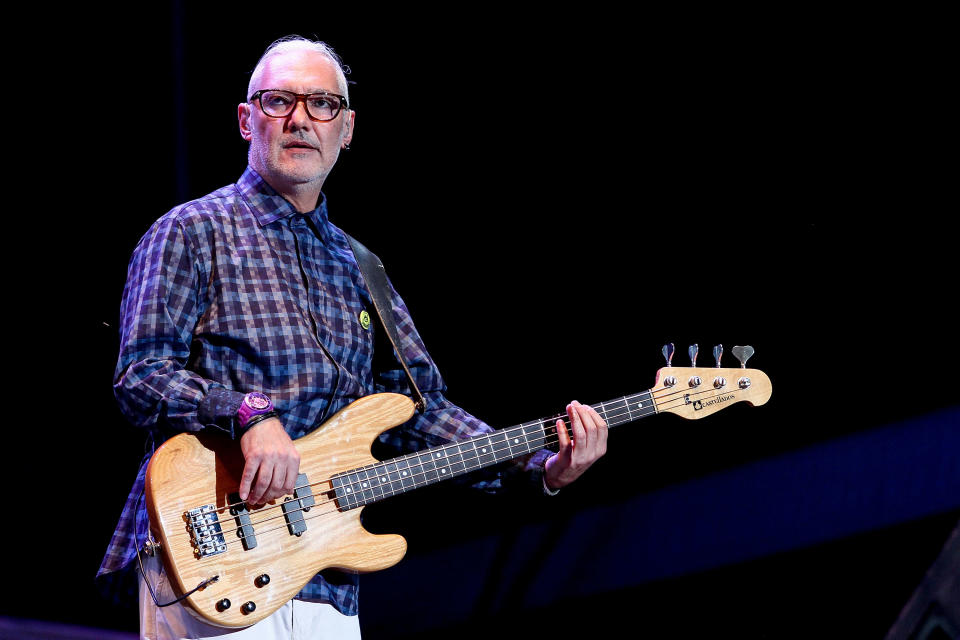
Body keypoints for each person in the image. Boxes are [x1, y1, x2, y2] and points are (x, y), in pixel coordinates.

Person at [97, 36, 607, 639]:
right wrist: (247, 414)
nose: (300, 120)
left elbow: (421, 410)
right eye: (278, 100)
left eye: (322, 105)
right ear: (245, 120)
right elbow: (141, 374)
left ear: (347, 129)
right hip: (212, 560)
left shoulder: (362, 267)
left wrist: (540, 462)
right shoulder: (190, 231)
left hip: (327, 576)